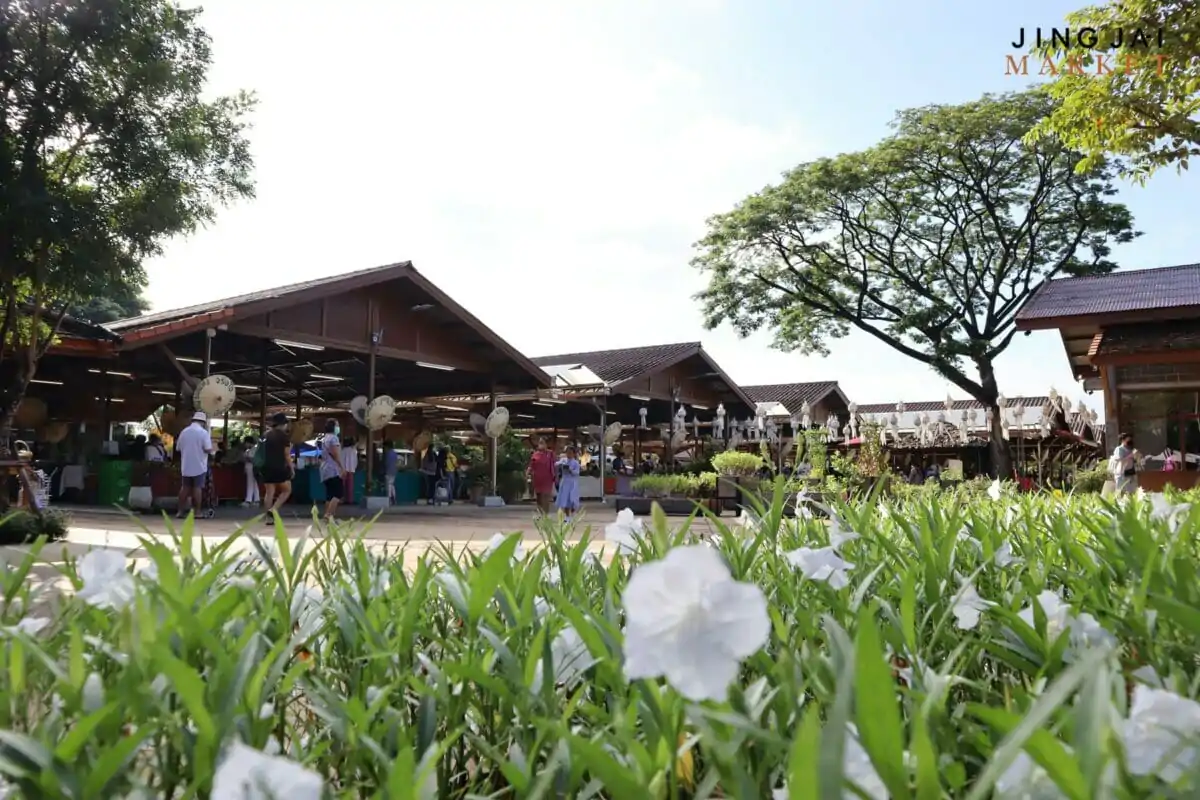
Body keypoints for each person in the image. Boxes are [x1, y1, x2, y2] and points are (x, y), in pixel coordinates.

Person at [175, 411, 214, 518]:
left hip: (186, 465)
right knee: (197, 488)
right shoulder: (203, 433)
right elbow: (208, 449)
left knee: (185, 488)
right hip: (199, 465)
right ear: (203, 422)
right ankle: (197, 512)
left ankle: (180, 512)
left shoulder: (184, 432)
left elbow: (178, 448)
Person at [261, 413, 294, 519]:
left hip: (265, 466)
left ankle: (268, 519)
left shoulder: (265, 435)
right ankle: (273, 509)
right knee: (287, 490)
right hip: (279, 467)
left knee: (269, 492)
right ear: (283, 424)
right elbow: (287, 455)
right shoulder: (284, 436)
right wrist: (292, 468)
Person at [317, 419, 343, 521]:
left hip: (324, 469)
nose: (338, 428)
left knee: (330, 494)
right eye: (337, 425)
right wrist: (342, 467)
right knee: (338, 493)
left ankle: (328, 516)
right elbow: (335, 454)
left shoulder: (325, 438)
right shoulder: (333, 438)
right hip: (332, 469)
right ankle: (329, 514)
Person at [527, 437, 556, 514]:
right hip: (537, 478)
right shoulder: (535, 454)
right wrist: (528, 472)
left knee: (545, 496)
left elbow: (555, 465)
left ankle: (545, 515)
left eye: (542, 442)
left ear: (546, 444)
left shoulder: (550, 453)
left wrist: (556, 476)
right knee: (539, 497)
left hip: (547, 478)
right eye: (540, 442)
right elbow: (531, 465)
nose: (540, 444)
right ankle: (540, 513)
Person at [555, 445, 581, 518]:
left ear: (574, 454)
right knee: (565, 500)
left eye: (570, 453)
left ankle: (572, 513)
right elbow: (556, 464)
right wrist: (560, 464)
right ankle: (567, 516)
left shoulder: (575, 463)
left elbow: (577, 473)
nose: (568, 454)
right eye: (567, 453)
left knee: (572, 499)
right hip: (565, 482)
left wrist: (570, 470)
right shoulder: (564, 460)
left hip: (572, 483)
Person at [240, 435, 260, 508]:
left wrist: (246, 458)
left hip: (251, 467)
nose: (245, 445)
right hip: (250, 467)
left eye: (245, 443)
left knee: (250, 483)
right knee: (254, 484)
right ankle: (256, 500)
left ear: (248, 442)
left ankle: (248, 500)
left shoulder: (254, 449)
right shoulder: (250, 450)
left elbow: (253, 459)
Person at [340, 437, 358, 504]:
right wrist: (354, 468)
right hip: (351, 469)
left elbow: (341, 460)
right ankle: (350, 500)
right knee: (350, 486)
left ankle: (341, 499)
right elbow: (355, 461)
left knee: (342, 486)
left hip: (343, 470)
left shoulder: (342, 450)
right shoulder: (353, 451)